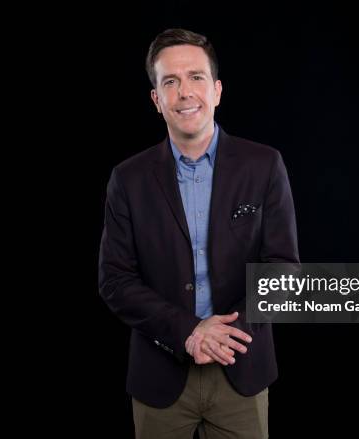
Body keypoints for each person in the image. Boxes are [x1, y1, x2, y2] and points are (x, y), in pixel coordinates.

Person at [98, 28, 299, 439]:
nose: (184, 92)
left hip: (241, 370)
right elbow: (115, 280)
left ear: (218, 90)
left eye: (196, 77)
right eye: (169, 81)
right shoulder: (128, 179)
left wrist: (226, 333)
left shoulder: (264, 166)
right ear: (156, 99)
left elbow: (284, 271)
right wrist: (188, 331)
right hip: (160, 377)